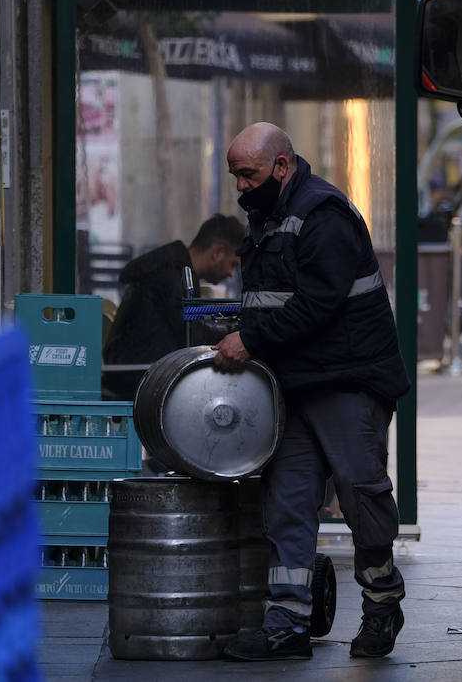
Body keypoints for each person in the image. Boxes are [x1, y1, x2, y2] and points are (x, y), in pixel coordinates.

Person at [213, 123, 410, 662]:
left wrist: (249, 340)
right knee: (288, 504)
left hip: (347, 381)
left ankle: (381, 602)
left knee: (360, 495)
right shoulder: (268, 217)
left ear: (281, 166)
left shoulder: (324, 214)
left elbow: (318, 304)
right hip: (297, 384)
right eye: (234, 176)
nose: (240, 187)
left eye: (247, 174)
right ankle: (287, 623)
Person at [101, 214, 245, 367]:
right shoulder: (172, 276)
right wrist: (238, 334)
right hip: (135, 375)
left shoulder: (173, 269)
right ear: (218, 253)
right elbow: (193, 335)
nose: (230, 274)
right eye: (233, 265)